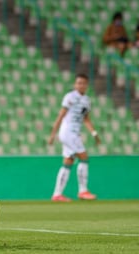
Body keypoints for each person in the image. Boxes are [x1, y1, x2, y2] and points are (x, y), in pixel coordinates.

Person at [48, 73, 101, 202]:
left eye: (83, 83)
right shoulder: (70, 97)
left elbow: (86, 119)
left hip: (74, 133)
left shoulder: (87, 100)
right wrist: (53, 134)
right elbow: (61, 116)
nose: (81, 85)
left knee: (68, 161)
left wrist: (94, 133)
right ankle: (83, 191)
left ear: (87, 85)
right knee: (84, 157)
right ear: (75, 84)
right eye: (78, 83)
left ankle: (57, 194)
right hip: (68, 132)